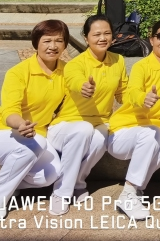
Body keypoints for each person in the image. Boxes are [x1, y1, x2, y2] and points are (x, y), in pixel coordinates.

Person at [0, 20, 68, 221]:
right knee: (34, 144)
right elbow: (9, 110)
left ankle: (12, 183)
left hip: (37, 137)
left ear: (65, 44)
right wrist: (20, 124)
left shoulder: (67, 72)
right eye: (47, 41)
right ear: (36, 43)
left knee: (51, 175)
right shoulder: (18, 72)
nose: (53, 46)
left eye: (59, 41)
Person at [46, 15, 127, 215]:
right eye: (97, 34)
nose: (102, 38)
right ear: (86, 37)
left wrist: (142, 99)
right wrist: (84, 87)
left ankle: (78, 182)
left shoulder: (118, 60)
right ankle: (61, 193)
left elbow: (123, 92)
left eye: (107, 33)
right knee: (83, 129)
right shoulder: (76, 64)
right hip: (66, 125)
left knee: (101, 138)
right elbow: (74, 81)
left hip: (99, 122)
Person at [106, 19, 160, 220]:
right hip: (122, 133)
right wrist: (143, 99)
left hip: (149, 132)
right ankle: (129, 194)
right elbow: (132, 92)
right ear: (152, 39)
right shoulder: (141, 67)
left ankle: (135, 190)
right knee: (152, 133)